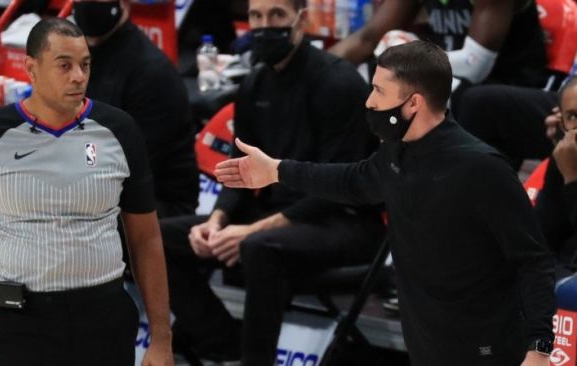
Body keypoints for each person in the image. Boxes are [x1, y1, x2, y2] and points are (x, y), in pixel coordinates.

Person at [215, 40, 556, 366]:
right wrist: (277, 170)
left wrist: (539, 348)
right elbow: (354, 181)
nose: (369, 103)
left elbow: (533, 261)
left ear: (413, 103)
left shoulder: (482, 168)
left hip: (486, 348)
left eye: (379, 91)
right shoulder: (397, 150)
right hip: (428, 343)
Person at [0, 18, 173, 366]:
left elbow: (145, 239)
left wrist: (162, 339)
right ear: (31, 68)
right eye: (65, 65)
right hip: (21, 318)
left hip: (104, 316)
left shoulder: (119, 130)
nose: (78, 76)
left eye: (85, 65)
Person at [162, 0, 385, 364]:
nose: (265, 26)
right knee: (156, 237)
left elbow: (343, 187)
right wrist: (217, 221)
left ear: (301, 18)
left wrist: (251, 231)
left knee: (261, 247)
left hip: (344, 220)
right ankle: (223, 345)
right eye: (256, 16)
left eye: (277, 15)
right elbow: (240, 169)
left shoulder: (338, 82)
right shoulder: (255, 84)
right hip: (271, 216)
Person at [74, 0, 199, 218]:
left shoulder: (151, 72)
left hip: (154, 204)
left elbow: (129, 166)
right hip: (94, 186)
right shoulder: (78, 58)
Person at [329, 0, 547, 89]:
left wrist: (408, 58)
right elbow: (367, 39)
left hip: (504, 84)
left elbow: (475, 65)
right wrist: (312, 67)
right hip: (445, 77)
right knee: (356, 88)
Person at [535, 76, 577, 279]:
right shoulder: (565, 157)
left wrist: (572, 179)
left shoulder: (569, 166)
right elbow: (541, 237)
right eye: (574, 117)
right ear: (562, 124)